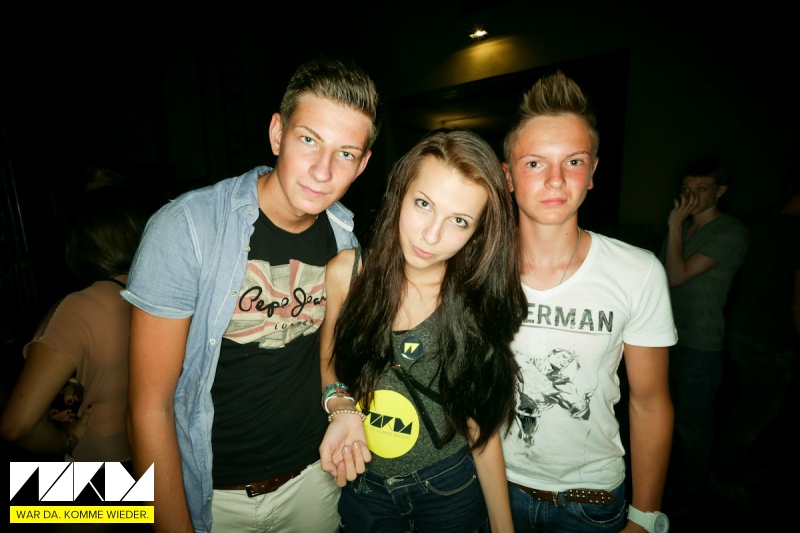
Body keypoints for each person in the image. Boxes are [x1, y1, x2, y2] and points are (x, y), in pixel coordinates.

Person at [121, 55, 380, 533]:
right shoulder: (187, 228)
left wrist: (342, 405)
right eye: (309, 140)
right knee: (44, 502)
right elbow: (149, 407)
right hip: (210, 497)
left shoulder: (346, 242)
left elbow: (334, 359)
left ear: (361, 165)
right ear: (278, 134)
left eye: (345, 154)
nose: (322, 171)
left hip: (314, 482)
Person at [318, 129, 527, 532]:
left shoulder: (471, 301)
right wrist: (341, 408)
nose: (431, 235)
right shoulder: (347, 273)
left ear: (478, 232)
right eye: (424, 204)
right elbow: (329, 359)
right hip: (365, 488)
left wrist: (504, 528)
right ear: (401, 193)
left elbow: (479, 427)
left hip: (448, 488)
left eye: (459, 221)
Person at [500, 70, 677, 533]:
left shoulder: (637, 272)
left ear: (593, 173)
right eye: (535, 163)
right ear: (508, 176)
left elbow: (649, 403)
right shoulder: (475, 269)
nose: (556, 180)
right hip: (490, 489)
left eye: (574, 161)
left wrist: (645, 517)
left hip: (591, 503)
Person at [0, 185, 145, 466]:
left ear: (78, 245)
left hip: (102, 469)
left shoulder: (78, 308)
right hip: (164, 457)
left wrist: (66, 439)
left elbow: (16, 426)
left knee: (23, 496)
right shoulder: (170, 296)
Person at [658, 156, 749, 514]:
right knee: (664, 418)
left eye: (701, 189)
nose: (691, 197)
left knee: (691, 423)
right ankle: (668, 484)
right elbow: (660, 280)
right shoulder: (683, 229)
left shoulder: (731, 231)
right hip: (668, 338)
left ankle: (688, 495)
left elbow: (676, 275)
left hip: (700, 343)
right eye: (686, 189)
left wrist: (674, 225)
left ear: (720, 191)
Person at [708, 187, 800, 519]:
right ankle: (725, 477)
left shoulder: (758, 222)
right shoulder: (792, 231)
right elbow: (797, 299)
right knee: (752, 414)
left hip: (742, 326)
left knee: (744, 405)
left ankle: (740, 468)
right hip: (772, 336)